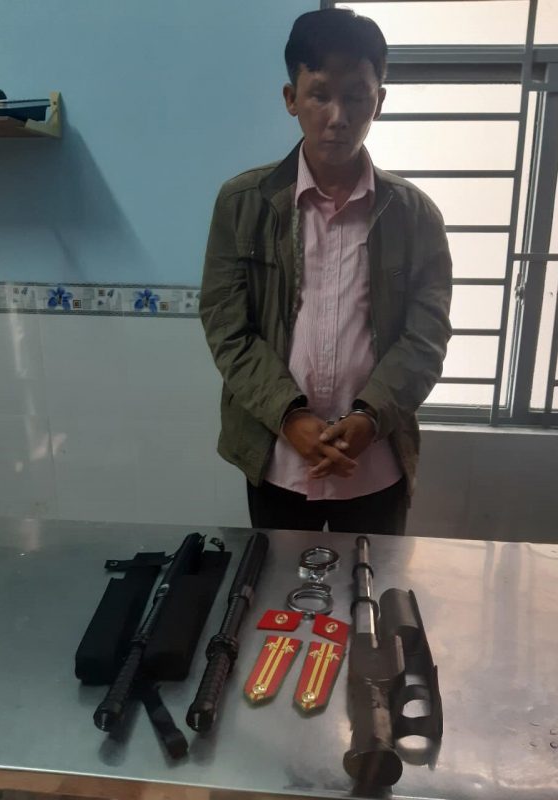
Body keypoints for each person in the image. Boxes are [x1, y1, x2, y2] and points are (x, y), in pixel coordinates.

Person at [200, 8, 452, 535]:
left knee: (370, 583)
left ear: (379, 101)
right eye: (319, 94)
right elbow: (228, 328)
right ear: (291, 98)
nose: (338, 116)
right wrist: (289, 416)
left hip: (375, 464)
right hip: (277, 459)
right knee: (276, 584)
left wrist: (369, 418)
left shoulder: (415, 216)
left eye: (356, 96)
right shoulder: (242, 204)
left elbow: (426, 338)